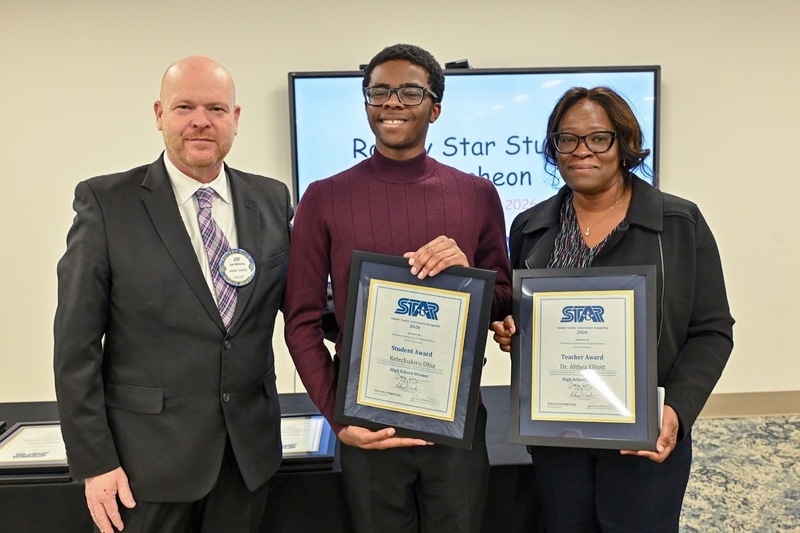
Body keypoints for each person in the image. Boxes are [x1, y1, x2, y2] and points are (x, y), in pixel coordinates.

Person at [53, 56, 292, 533]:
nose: (201, 120)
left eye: (216, 109)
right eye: (185, 106)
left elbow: (304, 304)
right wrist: (94, 462)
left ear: (236, 119)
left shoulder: (270, 198)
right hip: (145, 467)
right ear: (160, 114)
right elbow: (75, 348)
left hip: (246, 460)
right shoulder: (107, 203)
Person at [283, 43, 512, 532]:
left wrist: (468, 270)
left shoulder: (477, 195)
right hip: (367, 424)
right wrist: (339, 421)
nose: (392, 103)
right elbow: (300, 320)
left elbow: (502, 299)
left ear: (436, 107)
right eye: (379, 91)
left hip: (457, 421)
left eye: (410, 91)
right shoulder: (323, 197)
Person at [490, 86, 734, 532]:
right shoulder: (531, 227)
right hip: (557, 439)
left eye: (598, 138)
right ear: (554, 147)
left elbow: (712, 330)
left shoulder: (678, 224)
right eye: (568, 139)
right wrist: (513, 329)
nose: (582, 151)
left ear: (623, 144)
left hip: (644, 441)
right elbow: (521, 316)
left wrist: (675, 409)